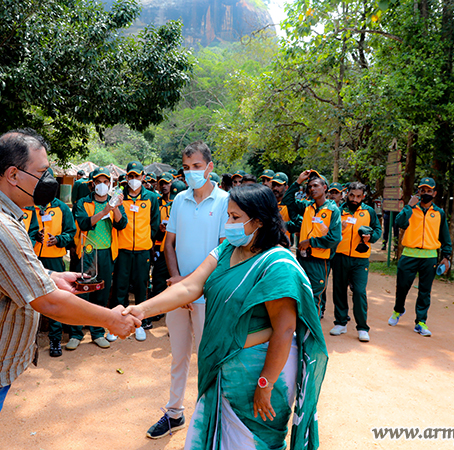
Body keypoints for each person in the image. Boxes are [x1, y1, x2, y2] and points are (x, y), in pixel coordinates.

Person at [0, 129, 139, 450]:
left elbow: (3, 270)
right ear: (13, 175)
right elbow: (49, 303)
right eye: (42, 172)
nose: (49, 180)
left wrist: (50, 276)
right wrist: (110, 320)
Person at [127, 184, 328, 450]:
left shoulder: (277, 265)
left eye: (235, 217)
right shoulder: (226, 250)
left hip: (258, 375)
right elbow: (189, 287)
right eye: (228, 216)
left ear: (258, 221)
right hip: (221, 368)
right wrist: (140, 310)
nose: (228, 224)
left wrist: (265, 383)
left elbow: (284, 329)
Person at [147, 141, 229, 439]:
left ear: (209, 167)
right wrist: (178, 282)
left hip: (209, 294)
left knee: (208, 358)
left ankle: (210, 418)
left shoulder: (225, 201)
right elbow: (169, 244)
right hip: (179, 293)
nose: (191, 172)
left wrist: (190, 286)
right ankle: (174, 413)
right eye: (186, 167)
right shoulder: (179, 200)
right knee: (178, 356)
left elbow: (223, 250)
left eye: (196, 166)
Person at [69, 166, 127, 349]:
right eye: (98, 182)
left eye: (105, 182)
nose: (102, 185)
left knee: (102, 293)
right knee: (82, 293)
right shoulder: (83, 202)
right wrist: (104, 211)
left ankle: (97, 332)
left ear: (110, 184)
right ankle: (76, 334)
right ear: (92, 184)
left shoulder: (115, 201)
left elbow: (121, 225)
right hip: (87, 252)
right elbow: (84, 224)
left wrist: (115, 207)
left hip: (106, 252)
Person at [388, 177, 451, 337]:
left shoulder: (439, 213)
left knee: (425, 291)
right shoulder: (411, 209)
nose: (426, 193)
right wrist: (409, 206)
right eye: (423, 190)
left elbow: (445, 236)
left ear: (434, 193)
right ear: (418, 192)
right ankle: (398, 310)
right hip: (409, 254)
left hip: (429, 257)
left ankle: (421, 322)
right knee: (402, 286)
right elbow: (399, 223)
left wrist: (446, 256)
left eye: (429, 191)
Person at [32, 168, 77, 357]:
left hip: (55, 259)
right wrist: (35, 236)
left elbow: (71, 232)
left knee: (55, 298)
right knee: (30, 297)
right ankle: (29, 341)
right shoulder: (29, 205)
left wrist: (58, 239)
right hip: (33, 258)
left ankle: (55, 339)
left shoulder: (62, 207)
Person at [113, 161, 160, 341]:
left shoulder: (151, 198)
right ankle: (118, 323)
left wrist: (146, 241)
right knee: (120, 287)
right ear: (126, 177)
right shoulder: (120, 197)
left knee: (141, 286)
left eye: (137, 176)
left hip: (142, 250)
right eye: (130, 176)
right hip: (123, 249)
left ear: (143, 177)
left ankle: (140, 324)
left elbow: (154, 223)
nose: (134, 179)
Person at [329, 182, 382, 342]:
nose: (354, 199)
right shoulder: (338, 211)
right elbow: (329, 230)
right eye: (352, 195)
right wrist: (339, 228)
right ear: (347, 194)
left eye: (358, 196)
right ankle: (340, 322)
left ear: (363, 196)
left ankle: (362, 327)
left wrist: (370, 237)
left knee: (359, 291)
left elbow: (378, 230)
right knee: (339, 290)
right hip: (340, 256)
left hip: (360, 258)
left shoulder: (369, 211)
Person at [284, 170, 342, 312]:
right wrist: (298, 182)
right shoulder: (307, 207)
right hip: (303, 258)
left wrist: (310, 242)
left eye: (316, 185)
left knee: (314, 299)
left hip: (319, 261)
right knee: (300, 295)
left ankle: (313, 326)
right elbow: (287, 201)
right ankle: (302, 325)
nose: (312, 189)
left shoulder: (333, 210)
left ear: (324, 187)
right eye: (310, 186)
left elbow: (334, 238)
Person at [148, 172, 174, 327]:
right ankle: (158, 310)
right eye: (162, 183)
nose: (164, 186)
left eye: (167, 183)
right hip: (159, 247)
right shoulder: (156, 202)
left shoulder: (178, 202)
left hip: (176, 249)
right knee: (158, 279)